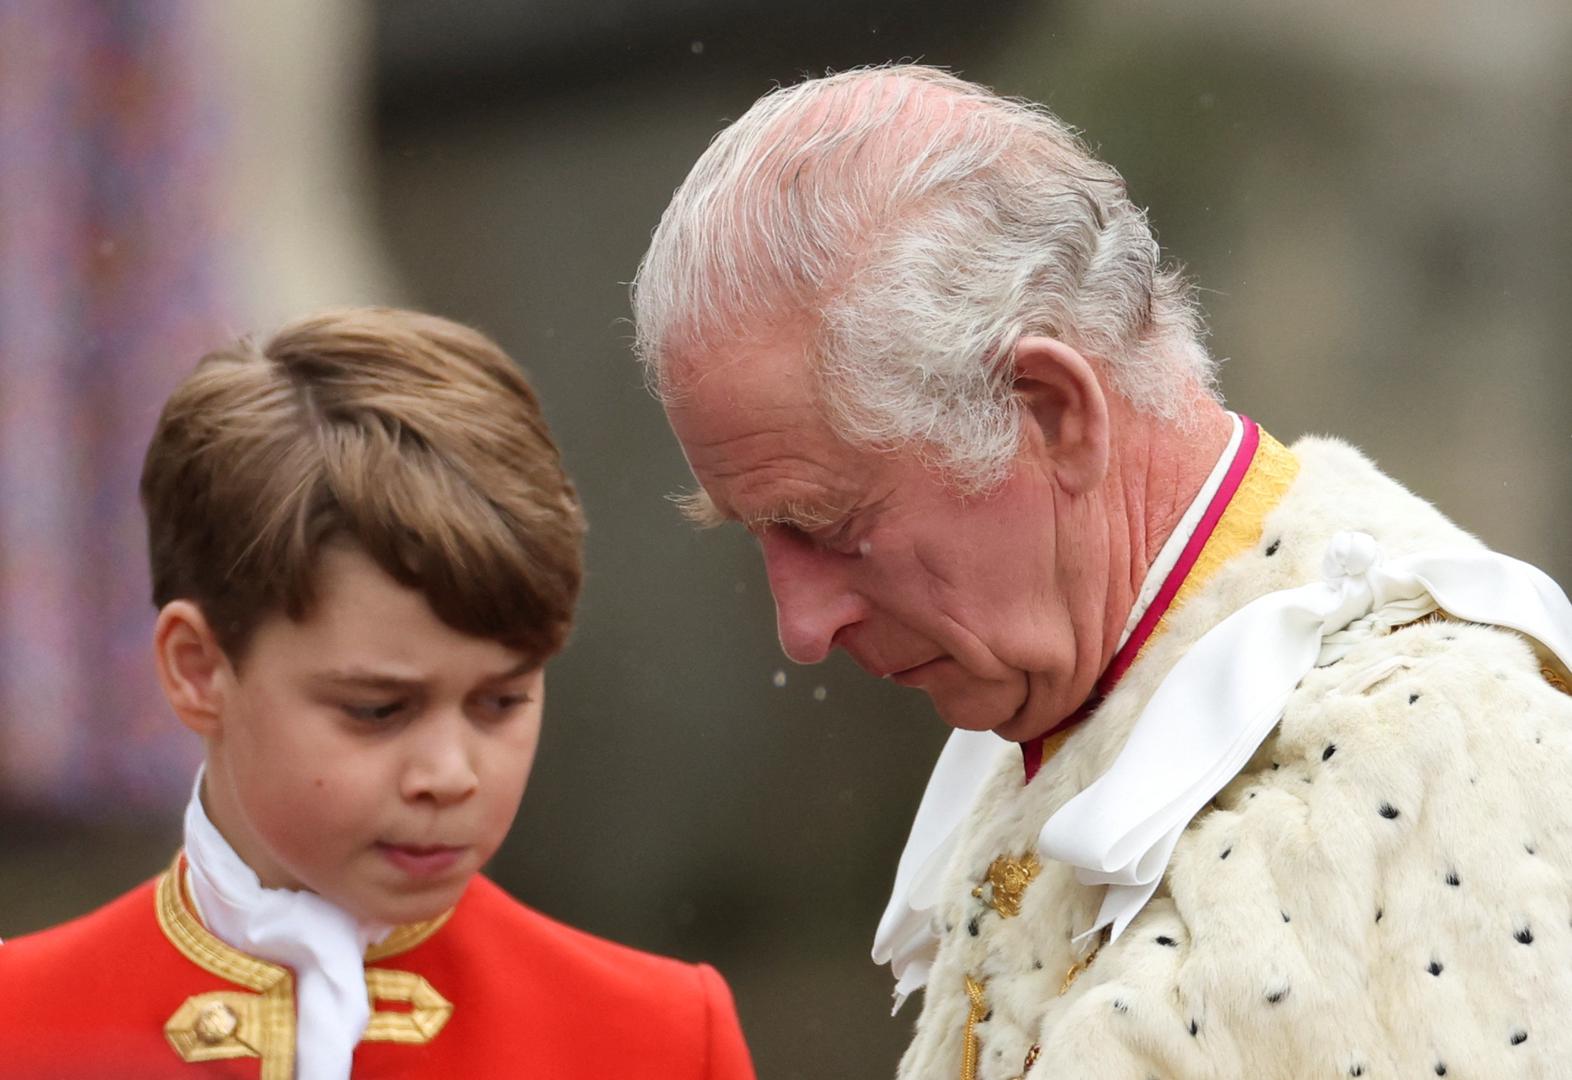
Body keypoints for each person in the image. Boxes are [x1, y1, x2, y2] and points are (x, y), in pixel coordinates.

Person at [631, 65, 1572, 1079]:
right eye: (755, 532)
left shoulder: (1440, 751)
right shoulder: (1067, 696)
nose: (800, 628)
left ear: (1047, 410)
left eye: (828, 523)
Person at [0, 308, 757, 1080]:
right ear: (198, 669)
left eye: (501, 701)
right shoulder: (16, 1026)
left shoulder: (652, 1039)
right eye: (378, 710)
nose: (450, 773)